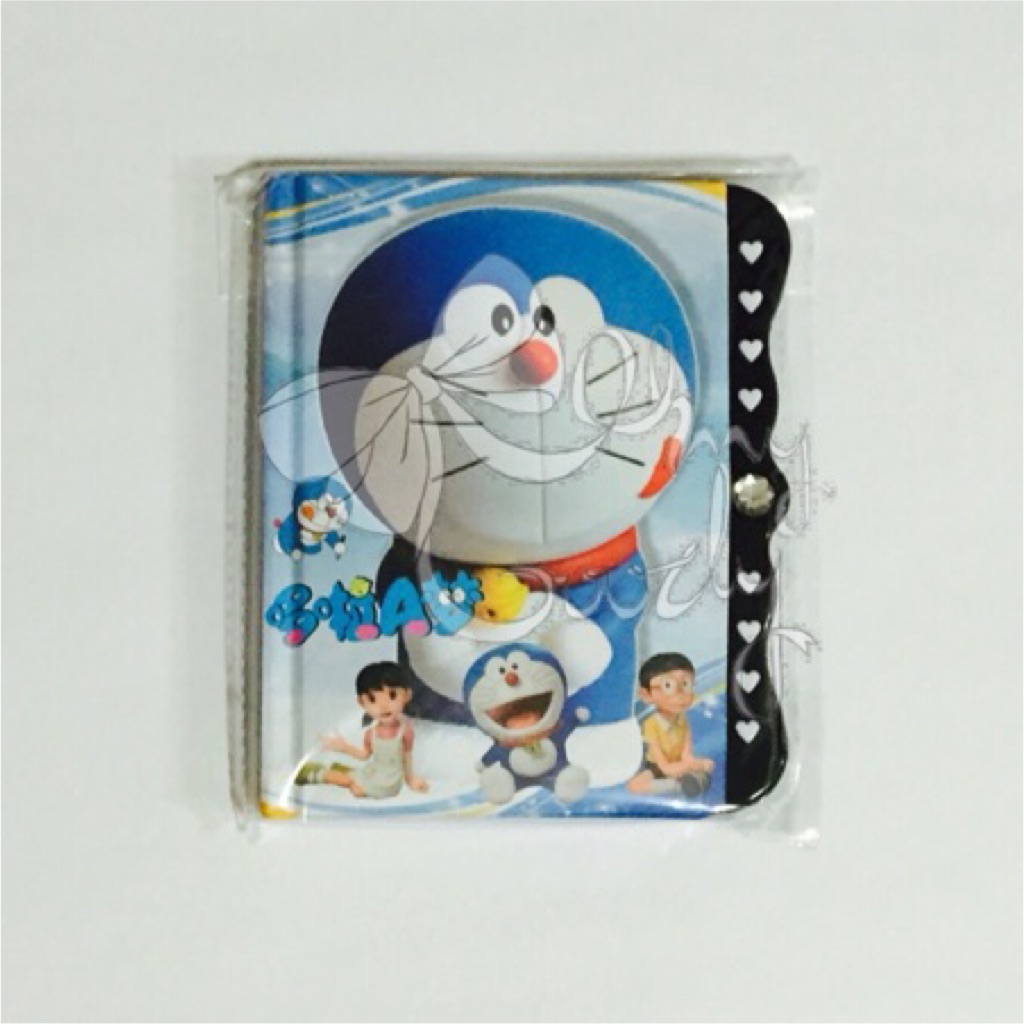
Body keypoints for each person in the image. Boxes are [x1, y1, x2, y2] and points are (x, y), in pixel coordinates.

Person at [296, 662, 428, 798]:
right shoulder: (371, 733)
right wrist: (344, 747)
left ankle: (318, 773)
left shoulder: (405, 732)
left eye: (392, 695)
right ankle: (314, 773)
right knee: (354, 787)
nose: (383, 706)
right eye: (372, 699)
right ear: (361, 702)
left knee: (355, 788)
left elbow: (407, 757)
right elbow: (364, 755)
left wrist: (410, 780)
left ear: (407, 695)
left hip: (390, 782)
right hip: (373, 772)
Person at [627, 653, 713, 796]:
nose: (680, 695)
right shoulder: (651, 724)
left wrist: (693, 763)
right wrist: (683, 767)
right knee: (635, 786)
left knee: (708, 765)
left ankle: (690, 781)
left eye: (686, 685)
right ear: (646, 695)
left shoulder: (683, 720)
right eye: (668, 686)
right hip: (656, 766)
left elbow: (686, 754)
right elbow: (663, 765)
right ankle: (677, 786)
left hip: (678, 764)